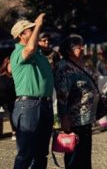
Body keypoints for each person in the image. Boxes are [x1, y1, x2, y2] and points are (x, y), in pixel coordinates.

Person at [10, 14, 54, 169]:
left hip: (44, 105)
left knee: (41, 154)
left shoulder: (38, 53)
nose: (35, 31)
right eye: (30, 30)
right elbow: (29, 49)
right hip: (28, 105)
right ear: (21, 35)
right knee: (26, 154)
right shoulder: (18, 52)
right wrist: (38, 25)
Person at [54, 34, 99, 169]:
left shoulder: (79, 64)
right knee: (75, 157)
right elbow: (62, 95)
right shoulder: (64, 67)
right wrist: (64, 117)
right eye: (79, 46)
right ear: (69, 49)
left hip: (85, 118)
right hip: (74, 119)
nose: (83, 48)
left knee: (85, 156)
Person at [0, 57, 17, 140]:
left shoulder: (16, 77)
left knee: (12, 109)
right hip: (2, 97)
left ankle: (14, 131)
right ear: (6, 65)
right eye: (11, 65)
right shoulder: (1, 77)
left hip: (12, 99)